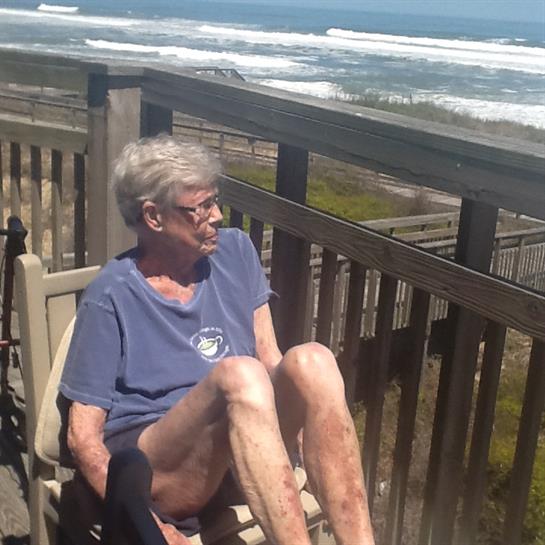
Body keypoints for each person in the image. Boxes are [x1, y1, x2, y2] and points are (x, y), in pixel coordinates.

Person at [60, 134, 376, 545]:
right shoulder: (110, 295)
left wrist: (308, 439)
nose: (218, 215)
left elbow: (270, 357)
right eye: (202, 206)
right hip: (161, 471)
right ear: (153, 217)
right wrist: (148, 523)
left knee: (312, 360)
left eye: (215, 200)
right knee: (240, 376)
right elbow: (82, 438)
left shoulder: (236, 252)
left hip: (243, 448)